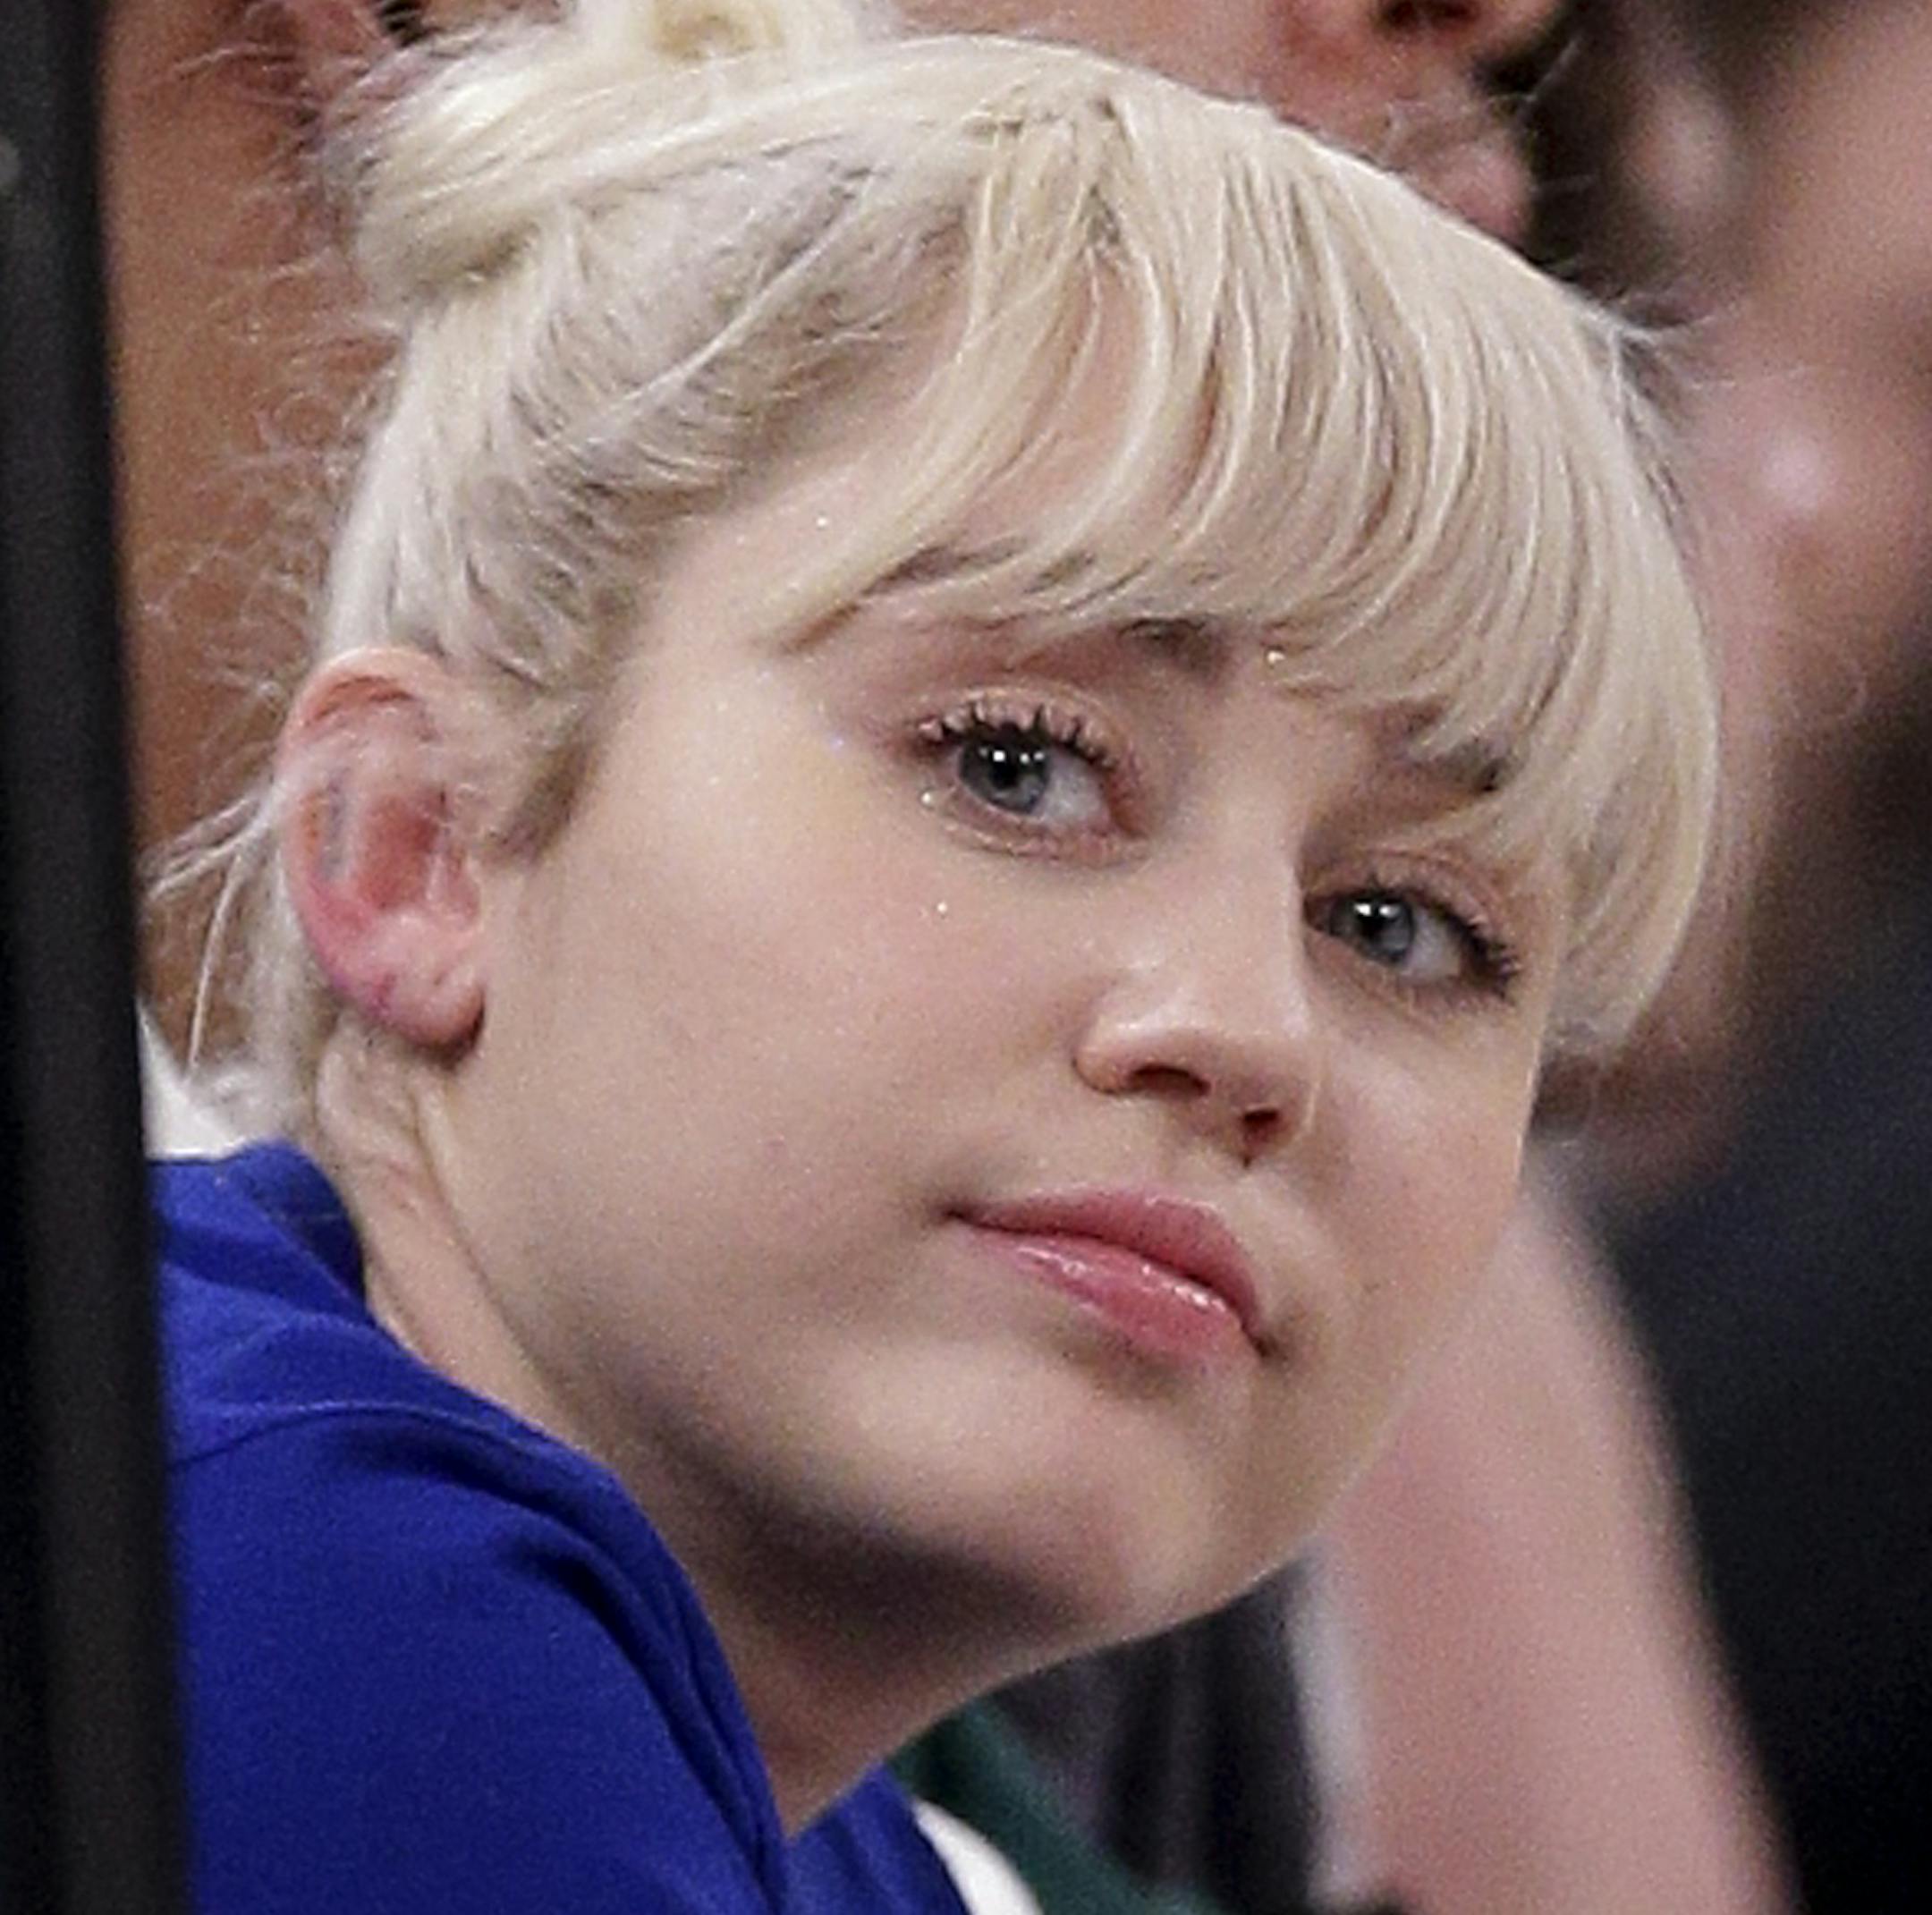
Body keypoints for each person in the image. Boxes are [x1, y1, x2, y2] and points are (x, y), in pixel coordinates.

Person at [150, 0, 1717, 1909]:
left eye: (1404, 928)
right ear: (419, 845)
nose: (1241, 1031)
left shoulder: (807, 1813)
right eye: (1019, 767)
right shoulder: (324, 1610)